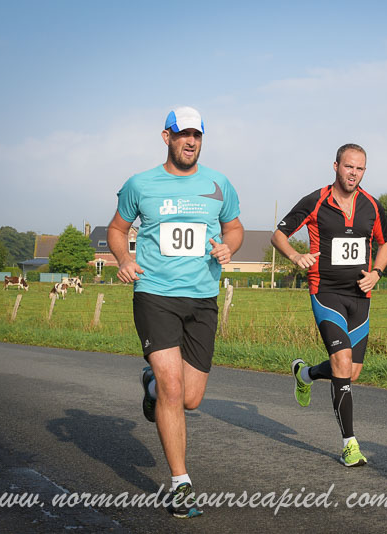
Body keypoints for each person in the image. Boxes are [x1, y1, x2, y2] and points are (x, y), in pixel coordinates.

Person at [107, 106, 243, 517]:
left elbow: (234, 227)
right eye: (183, 134)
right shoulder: (140, 184)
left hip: (202, 298)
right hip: (155, 294)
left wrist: (229, 247)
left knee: (190, 398)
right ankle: (181, 484)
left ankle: (149, 385)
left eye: (197, 135)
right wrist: (124, 259)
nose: (191, 142)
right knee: (172, 387)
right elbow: (117, 229)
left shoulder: (219, 183)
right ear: (166, 136)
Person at [271, 143, 387, 467]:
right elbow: (279, 235)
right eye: (349, 166)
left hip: (360, 297)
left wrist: (377, 273)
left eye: (360, 168)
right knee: (341, 362)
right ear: (336, 166)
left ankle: (306, 374)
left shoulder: (372, 206)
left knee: (350, 371)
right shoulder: (315, 201)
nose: (354, 173)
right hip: (325, 293)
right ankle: (349, 445)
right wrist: (295, 255)